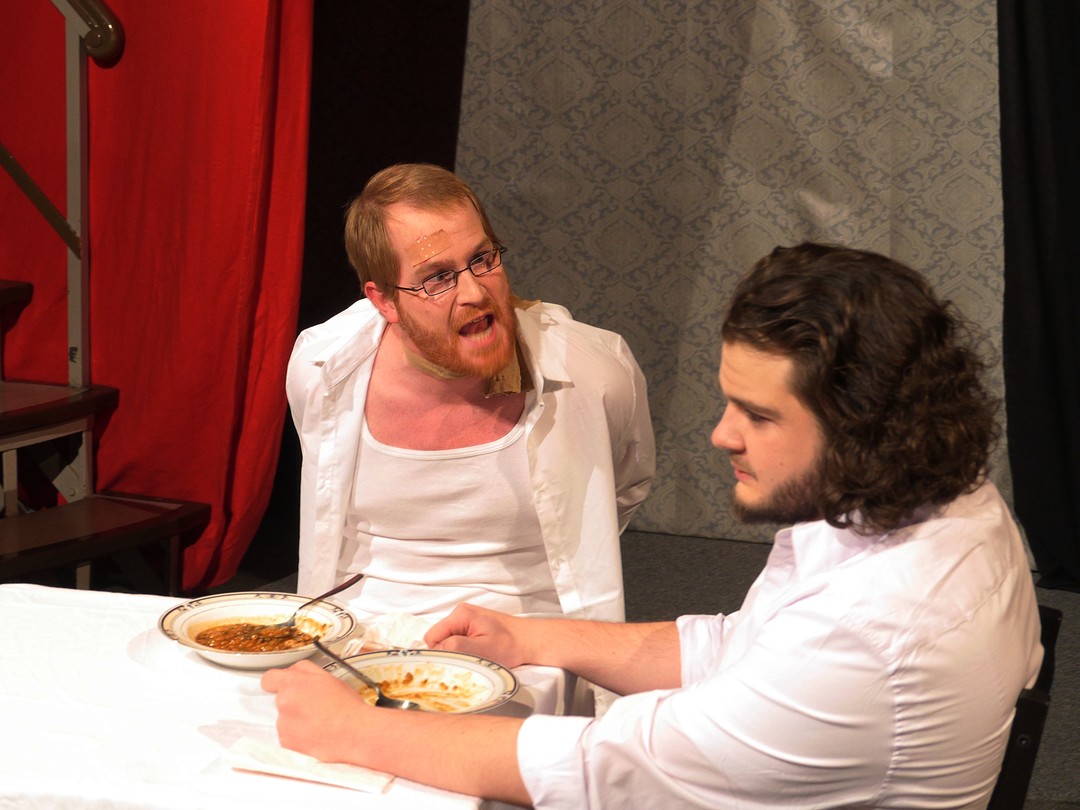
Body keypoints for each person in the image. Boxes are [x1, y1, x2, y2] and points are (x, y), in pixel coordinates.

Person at [264, 243, 1042, 808]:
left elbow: (609, 768)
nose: (722, 435)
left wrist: (353, 731)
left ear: (862, 422)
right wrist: (534, 637)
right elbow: (736, 647)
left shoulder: (865, 634)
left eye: (759, 415)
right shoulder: (943, 497)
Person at [286, 162, 654, 623]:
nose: (475, 293)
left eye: (482, 259)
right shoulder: (322, 368)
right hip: (358, 634)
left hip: (529, 636)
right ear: (384, 301)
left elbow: (623, 488)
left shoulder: (594, 373)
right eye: (438, 277)